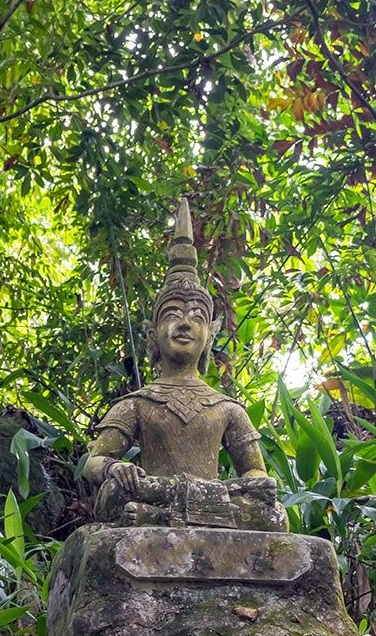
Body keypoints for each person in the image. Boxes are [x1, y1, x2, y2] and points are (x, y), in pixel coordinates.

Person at [83, 199, 280, 529]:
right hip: (156, 490)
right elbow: (94, 462)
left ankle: (158, 518)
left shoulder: (227, 408)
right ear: (153, 335)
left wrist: (257, 482)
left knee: (272, 512)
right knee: (116, 491)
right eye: (172, 315)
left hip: (208, 495)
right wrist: (115, 468)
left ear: (209, 336)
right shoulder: (137, 403)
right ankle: (173, 512)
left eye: (197, 317)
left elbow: (254, 470)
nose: (185, 324)